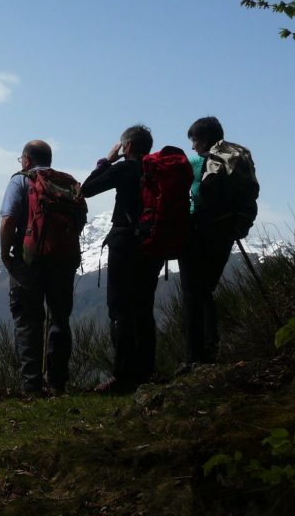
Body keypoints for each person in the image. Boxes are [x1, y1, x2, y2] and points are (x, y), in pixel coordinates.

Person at [80, 125, 163, 393]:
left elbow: (87, 189)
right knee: (144, 308)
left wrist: (106, 161)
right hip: (153, 245)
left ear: (126, 147)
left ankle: (124, 376)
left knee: (120, 310)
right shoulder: (157, 170)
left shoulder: (125, 168)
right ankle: (146, 372)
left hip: (125, 244)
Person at [0, 140, 83, 396]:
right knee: (60, 319)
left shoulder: (20, 181)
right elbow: (79, 220)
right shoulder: (66, 183)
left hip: (29, 262)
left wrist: (6, 256)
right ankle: (57, 383)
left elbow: (8, 221)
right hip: (63, 261)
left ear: (26, 160)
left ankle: (31, 387)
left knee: (28, 322)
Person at [179, 116, 252, 366]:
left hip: (201, 229)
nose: (192, 147)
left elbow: (200, 194)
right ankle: (212, 351)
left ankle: (194, 357)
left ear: (206, 139)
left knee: (191, 294)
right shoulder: (238, 155)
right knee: (206, 291)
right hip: (228, 228)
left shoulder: (200, 161)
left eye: (195, 140)